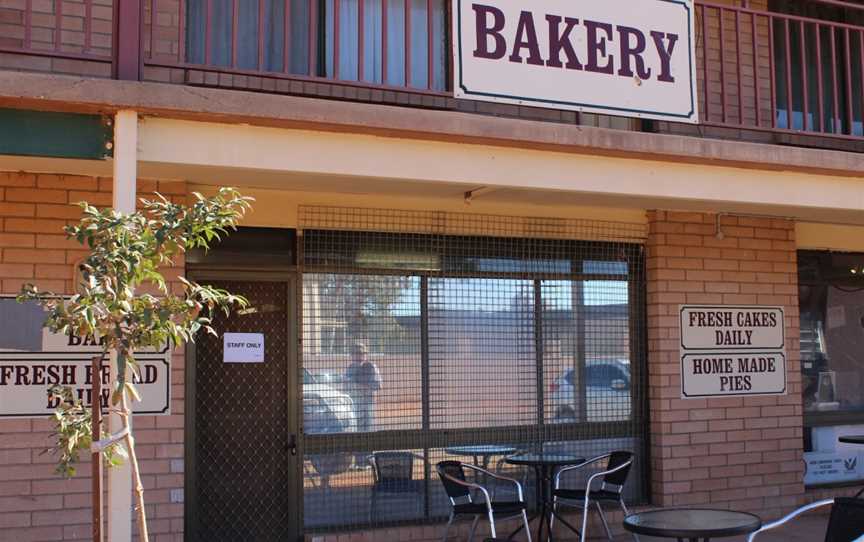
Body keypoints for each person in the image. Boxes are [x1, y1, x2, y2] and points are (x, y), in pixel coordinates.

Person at [345, 342, 382, 468]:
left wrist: (365, 386)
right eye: (356, 353)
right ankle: (358, 462)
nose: (359, 356)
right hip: (354, 406)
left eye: (361, 353)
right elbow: (346, 386)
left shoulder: (371, 367)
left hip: (367, 406)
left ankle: (368, 462)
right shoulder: (350, 369)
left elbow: (378, 385)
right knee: (356, 433)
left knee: (368, 432)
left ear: (365, 354)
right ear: (352, 355)